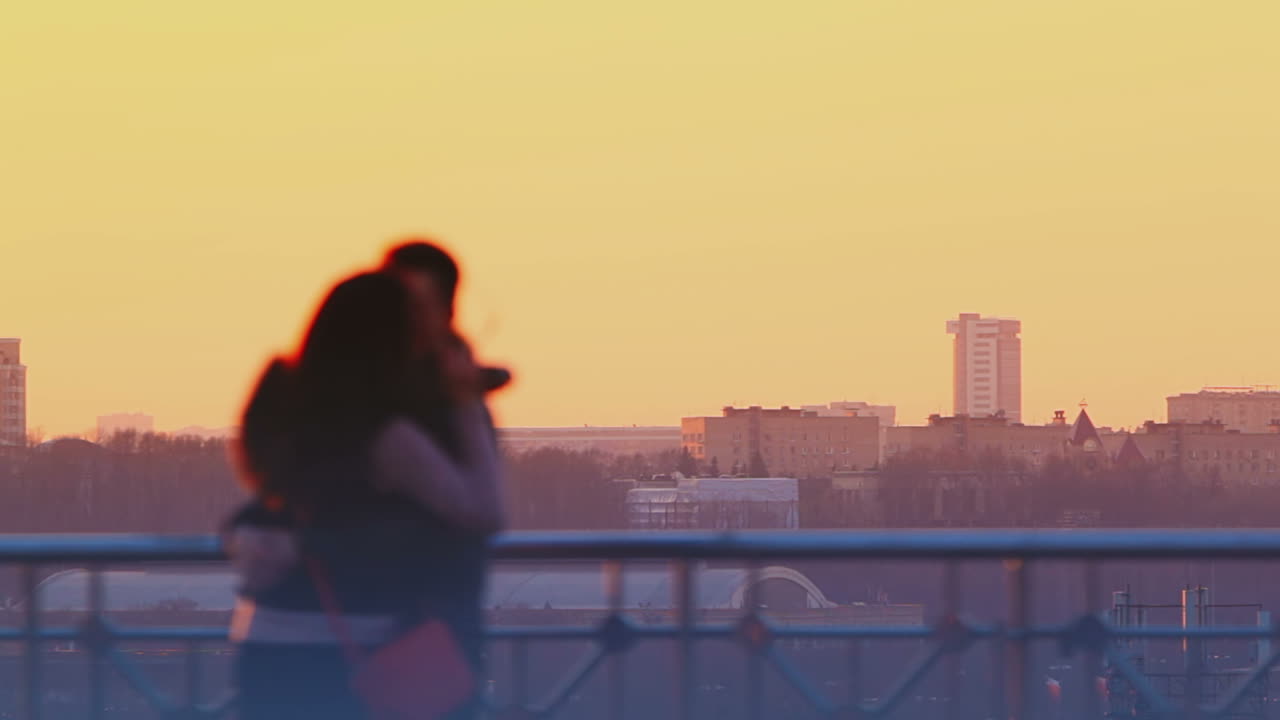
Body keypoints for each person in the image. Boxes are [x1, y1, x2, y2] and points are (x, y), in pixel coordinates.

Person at [226, 271, 505, 720]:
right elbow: (483, 511)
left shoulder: (280, 396)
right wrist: (465, 402)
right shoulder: (383, 435)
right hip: (358, 650)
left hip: (264, 639)